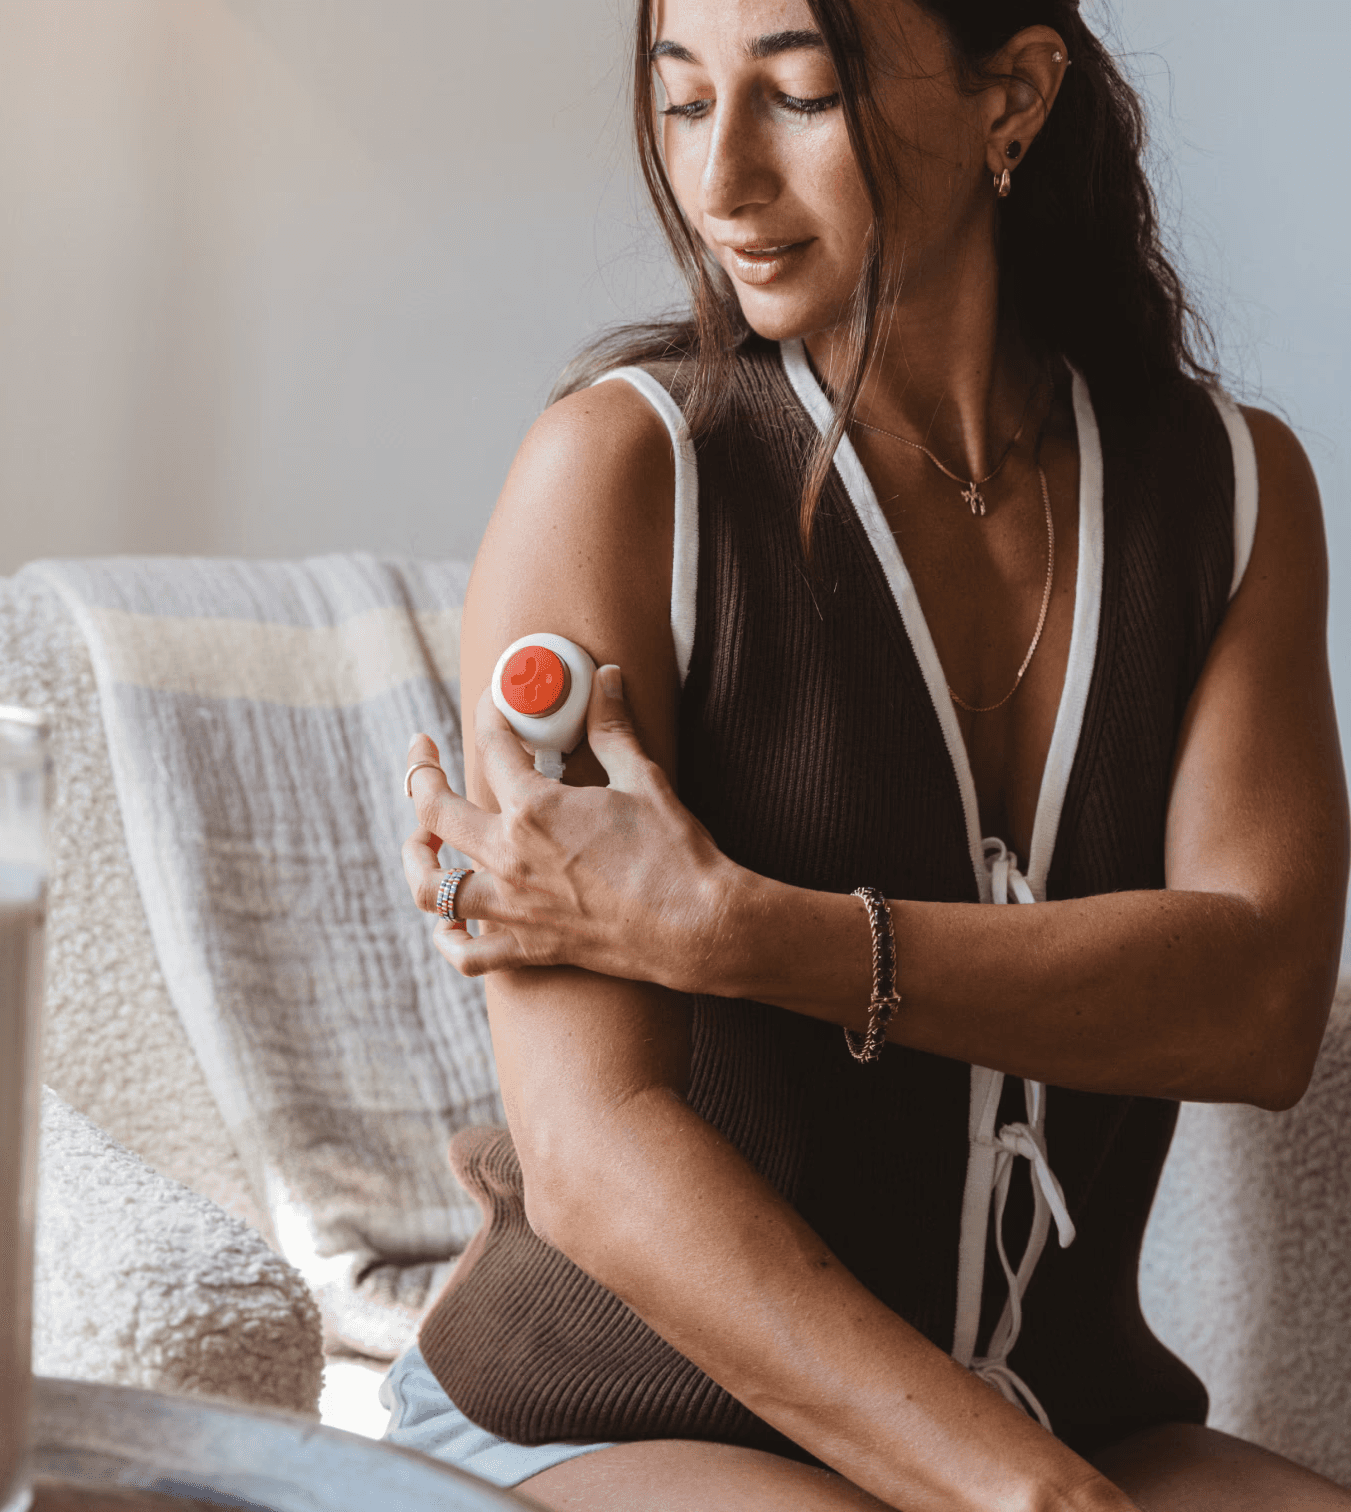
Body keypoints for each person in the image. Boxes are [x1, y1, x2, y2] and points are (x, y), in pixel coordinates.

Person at [393, 0, 1351, 1506]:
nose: (720, 185)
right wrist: (1024, 1494)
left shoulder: (1230, 494)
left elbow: (1255, 1004)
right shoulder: (621, 471)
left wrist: (749, 935)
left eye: (801, 96)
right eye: (683, 101)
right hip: (621, 1412)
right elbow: (591, 1153)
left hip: (1061, 1418)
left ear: (1013, 99)